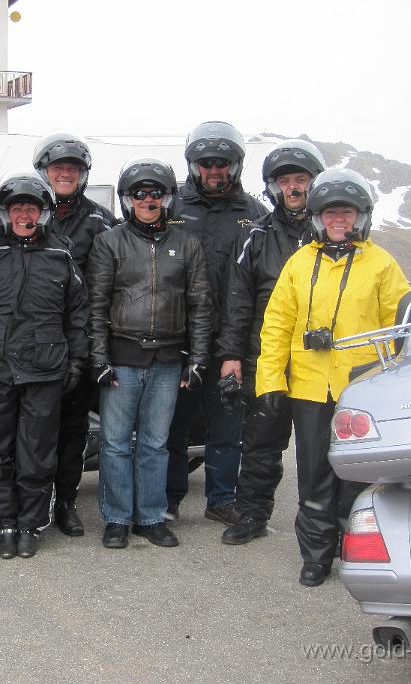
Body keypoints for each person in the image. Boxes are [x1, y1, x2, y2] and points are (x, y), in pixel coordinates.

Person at [255, 168, 409, 586]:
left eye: (346, 213)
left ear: (360, 217)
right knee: (315, 474)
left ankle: (359, 549)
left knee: (361, 474)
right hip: (309, 388)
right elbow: (276, 326)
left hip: (364, 388)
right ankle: (317, 554)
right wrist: (270, 382)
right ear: (317, 219)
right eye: (329, 214)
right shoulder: (299, 263)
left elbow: (400, 327)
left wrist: (397, 381)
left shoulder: (381, 263)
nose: (338, 220)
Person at [86, 158, 211, 549]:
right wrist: (99, 359)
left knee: (156, 443)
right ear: (127, 199)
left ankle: (151, 516)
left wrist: (198, 357)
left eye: (155, 193)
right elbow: (96, 305)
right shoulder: (110, 242)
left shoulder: (187, 244)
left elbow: (200, 305)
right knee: (115, 443)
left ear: (167, 198)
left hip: (169, 360)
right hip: (123, 356)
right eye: (139, 193)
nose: (147, 199)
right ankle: (117, 518)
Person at [218, 140, 325, 545]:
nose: (294, 188)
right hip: (267, 356)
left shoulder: (334, 235)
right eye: (285, 182)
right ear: (273, 187)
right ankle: (252, 514)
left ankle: (327, 522)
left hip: (321, 361)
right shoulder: (256, 236)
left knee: (321, 448)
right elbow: (236, 302)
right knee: (261, 443)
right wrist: (231, 356)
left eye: (301, 180)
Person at [0, 171, 89, 559]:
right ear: (5, 213)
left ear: (43, 214)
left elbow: (78, 312)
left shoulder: (61, 254)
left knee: (37, 451)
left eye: (32, 208)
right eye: (17, 208)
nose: (25, 215)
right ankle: (5, 520)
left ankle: (31, 522)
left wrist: (77, 357)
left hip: (45, 369)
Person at [166, 121, 268, 526]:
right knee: (173, 426)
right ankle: (170, 498)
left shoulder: (254, 213)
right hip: (179, 339)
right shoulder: (172, 206)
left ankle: (221, 498)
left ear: (236, 165)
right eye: (206, 163)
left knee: (227, 426)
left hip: (230, 341)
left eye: (222, 164)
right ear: (193, 164)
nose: (214, 171)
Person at [32, 131, 117, 537]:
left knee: (72, 429)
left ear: (83, 174)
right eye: (57, 168)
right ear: (44, 171)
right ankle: (32, 503)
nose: (64, 175)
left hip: (81, 338)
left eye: (73, 169)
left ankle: (66, 501)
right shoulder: (23, 211)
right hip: (32, 340)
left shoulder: (101, 220)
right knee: (33, 428)